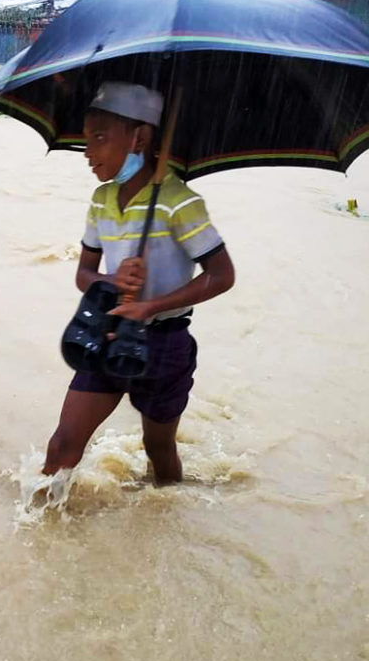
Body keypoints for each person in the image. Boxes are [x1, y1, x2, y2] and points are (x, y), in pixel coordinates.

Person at [43, 82, 236, 484]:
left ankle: (166, 522)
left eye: (100, 138)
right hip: (108, 333)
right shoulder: (100, 200)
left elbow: (222, 275)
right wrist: (111, 281)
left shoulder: (179, 202)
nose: (88, 152)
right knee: (62, 446)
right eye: (86, 138)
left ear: (140, 138)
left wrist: (151, 305)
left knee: (159, 450)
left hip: (165, 346)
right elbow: (84, 275)